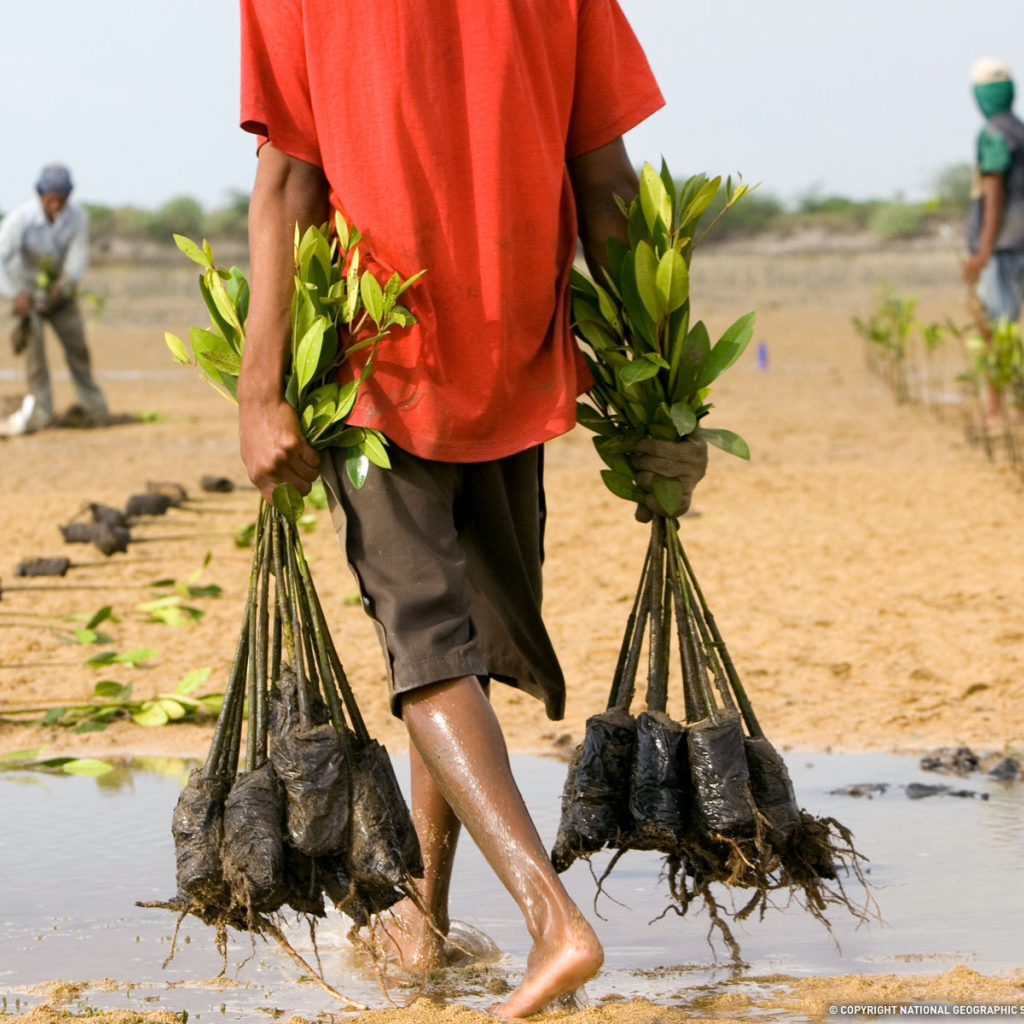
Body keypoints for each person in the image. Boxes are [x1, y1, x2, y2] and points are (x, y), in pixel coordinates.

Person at [235, 2, 707, 1016]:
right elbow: (609, 183)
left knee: (426, 651)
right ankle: (423, 916)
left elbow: (287, 180)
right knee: (454, 651)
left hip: (382, 351)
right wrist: (655, 382)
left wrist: (260, 390)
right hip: (517, 344)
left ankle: (553, 922)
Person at [0, 164, 107, 433]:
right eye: (51, 199)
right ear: (40, 195)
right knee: (35, 356)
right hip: (26, 295)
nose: (56, 204)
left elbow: (78, 255)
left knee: (78, 348)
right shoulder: (20, 219)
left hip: (59, 293)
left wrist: (63, 284)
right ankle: (41, 413)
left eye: (62, 198)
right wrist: (14, 294)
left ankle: (94, 409)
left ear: (69, 195)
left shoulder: (77, 217)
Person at [962, 58, 1024, 424]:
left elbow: (993, 193)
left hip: (1001, 249)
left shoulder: (993, 135)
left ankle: (997, 409)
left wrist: (983, 250)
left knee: (996, 329)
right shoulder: (1020, 131)